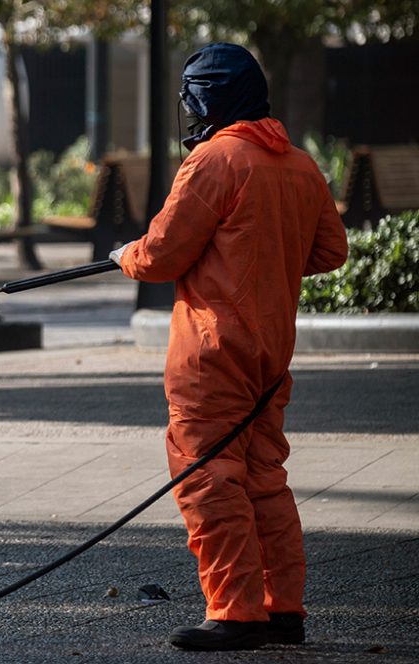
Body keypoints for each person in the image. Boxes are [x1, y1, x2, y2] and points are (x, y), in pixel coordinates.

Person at [109, 43, 348, 651]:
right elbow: (330, 251)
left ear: (204, 102)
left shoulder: (215, 160)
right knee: (264, 479)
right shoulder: (298, 164)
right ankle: (282, 610)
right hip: (269, 358)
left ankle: (236, 614)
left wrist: (125, 257)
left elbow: (161, 253)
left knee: (209, 479)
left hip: (211, 356)